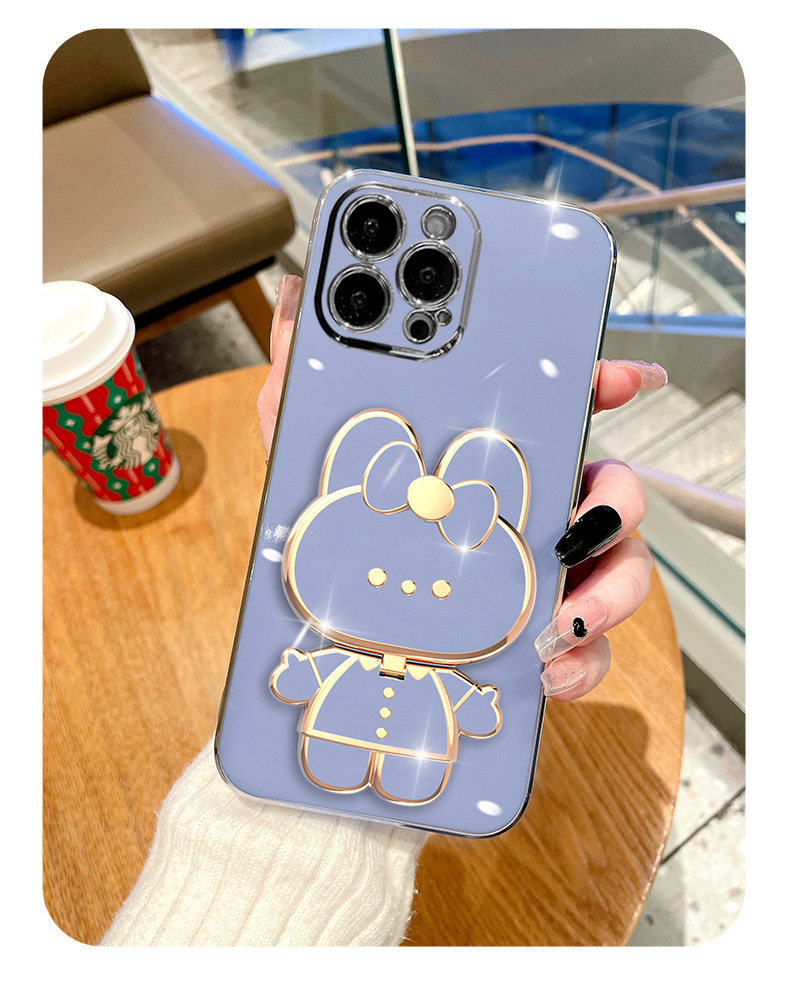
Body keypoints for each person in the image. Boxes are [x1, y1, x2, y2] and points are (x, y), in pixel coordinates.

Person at [102, 275, 667, 947]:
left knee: (411, 768)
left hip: (398, 746)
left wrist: (474, 702)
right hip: (339, 735)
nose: (405, 587)